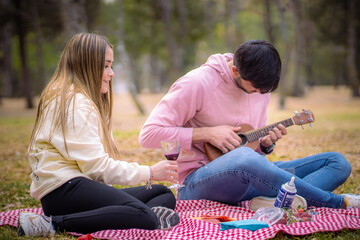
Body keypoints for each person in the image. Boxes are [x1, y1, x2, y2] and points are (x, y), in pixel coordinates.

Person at [138, 39, 360, 211]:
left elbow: (252, 155)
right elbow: (148, 135)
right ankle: (336, 203)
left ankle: (273, 202)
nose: (260, 95)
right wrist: (208, 133)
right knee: (244, 159)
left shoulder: (261, 89)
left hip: (246, 180)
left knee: (337, 162)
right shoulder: (197, 83)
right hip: (197, 182)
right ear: (235, 71)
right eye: (254, 89)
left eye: (265, 91)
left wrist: (264, 146)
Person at [17, 33, 180, 238]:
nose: (111, 73)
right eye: (105, 66)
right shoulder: (76, 103)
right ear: (86, 66)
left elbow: (93, 171)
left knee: (163, 194)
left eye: (111, 66)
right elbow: (97, 168)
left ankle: (136, 216)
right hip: (63, 191)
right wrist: (149, 172)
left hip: (79, 186)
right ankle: (48, 224)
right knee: (142, 215)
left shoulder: (78, 99)